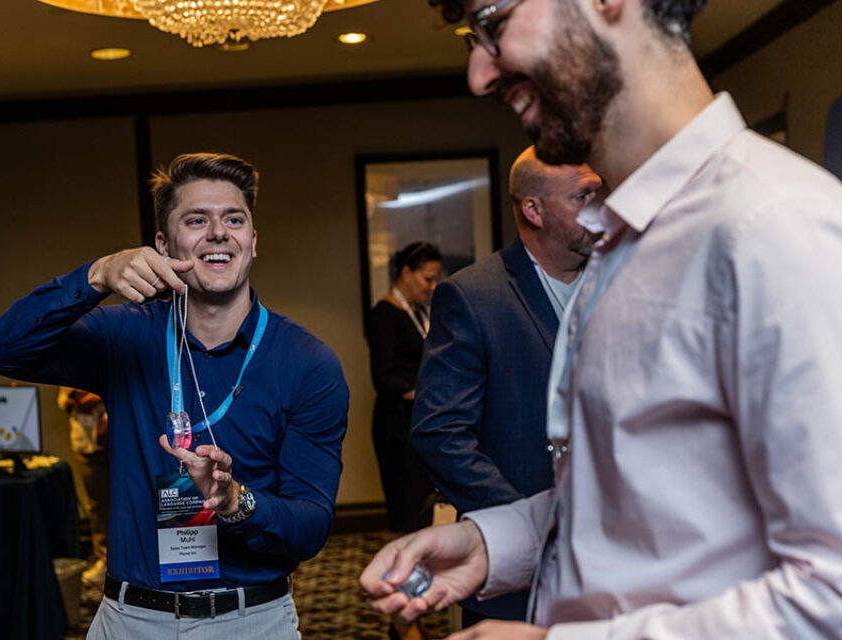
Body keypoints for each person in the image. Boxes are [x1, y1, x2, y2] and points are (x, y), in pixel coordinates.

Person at [361, 0, 842, 637]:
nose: (478, 72)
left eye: (490, 24)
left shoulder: (773, 227)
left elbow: (829, 595)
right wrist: (497, 543)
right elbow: (647, 507)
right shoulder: (621, 242)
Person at [0, 152, 349, 639]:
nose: (218, 233)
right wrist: (97, 275)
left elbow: (311, 527)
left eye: (234, 219)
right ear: (163, 243)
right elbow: (5, 349)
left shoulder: (307, 363)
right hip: (132, 620)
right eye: (197, 220)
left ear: (253, 241)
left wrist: (236, 501)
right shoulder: (126, 337)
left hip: (254, 622)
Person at [409, 148, 600, 627]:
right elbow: (440, 433)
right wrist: (531, 526)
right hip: (518, 575)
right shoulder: (475, 295)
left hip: (616, 568)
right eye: (583, 197)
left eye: (599, 192)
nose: (600, 208)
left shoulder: (625, 278)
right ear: (533, 210)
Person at [367, 242, 443, 534]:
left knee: (427, 503)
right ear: (406, 272)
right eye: (427, 278)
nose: (432, 286)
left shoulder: (421, 313)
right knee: (407, 505)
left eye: (436, 279)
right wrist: (424, 393)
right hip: (397, 424)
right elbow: (382, 376)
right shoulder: (385, 314)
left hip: (422, 418)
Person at [57, 387, 109, 587]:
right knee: (97, 505)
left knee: (131, 500)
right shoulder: (68, 358)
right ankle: (104, 560)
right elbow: (65, 400)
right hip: (86, 442)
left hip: (121, 438)